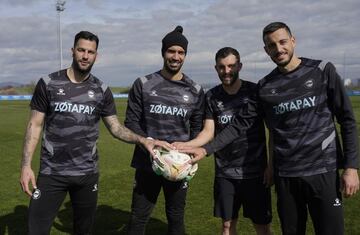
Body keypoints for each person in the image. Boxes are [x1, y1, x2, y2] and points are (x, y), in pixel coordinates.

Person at [183, 22, 360, 235]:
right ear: (266, 50)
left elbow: (347, 120)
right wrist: (206, 149)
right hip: (286, 176)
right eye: (271, 45)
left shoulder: (322, 71)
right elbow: (240, 124)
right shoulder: (266, 86)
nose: (278, 49)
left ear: (293, 41)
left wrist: (351, 167)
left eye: (282, 42)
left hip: (322, 171)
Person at [19, 31, 169, 235]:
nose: (85, 56)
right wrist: (26, 166)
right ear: (73, 51)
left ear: (96, 55)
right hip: (52, 173)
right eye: (81, 50)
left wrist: (143, 140)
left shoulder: (101, 90)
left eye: (90, 52)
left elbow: (115, 128)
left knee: (84, 231)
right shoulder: (48, 83)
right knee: (36, 230)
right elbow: (35, 125)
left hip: (87, 175)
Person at [173, 47, 272, 235]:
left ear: (239, 66)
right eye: (221, 67)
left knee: (262, 226)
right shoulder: (211, 96)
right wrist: (188, 145)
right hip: (225, 172)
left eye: (231, 66)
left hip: (255, 172)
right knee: (227, 225)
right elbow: (208, 132)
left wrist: (271, 165)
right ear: (216, 68)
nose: (226, 71)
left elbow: (272, 131)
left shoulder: (254, 92)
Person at [124, 25, 205, 235]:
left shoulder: (195, 90)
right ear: (163, 52)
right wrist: (148, 141)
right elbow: (131, 122)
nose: (176, 56)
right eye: (171, 51)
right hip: (146, 161)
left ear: (185, 55)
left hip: (179, 166)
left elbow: (197, 127)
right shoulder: (143, 84)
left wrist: (188, 150)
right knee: (138, 217)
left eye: (181, 52)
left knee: (176, 216)